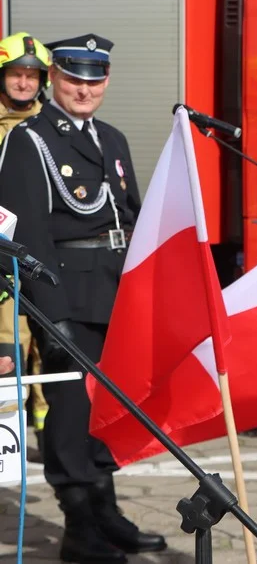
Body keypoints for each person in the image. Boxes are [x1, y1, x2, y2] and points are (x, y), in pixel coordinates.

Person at [0, 34, 165, 561]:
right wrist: (52, 319)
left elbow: (132, 217)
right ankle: (79, 527)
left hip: (115, 295)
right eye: (73, 78)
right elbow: (23, 238)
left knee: (108, 411)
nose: (84, 89)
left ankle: (105, 511)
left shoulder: (111, 139)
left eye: (95, 80)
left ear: (107, 82)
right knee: (71, 413)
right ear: (53, 81)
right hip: (68, 296)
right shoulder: (31, 140)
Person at [0, 31, 52, 457]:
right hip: (3, 257)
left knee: (47, 344)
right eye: (15, 74)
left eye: (31, 75)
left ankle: (48, 430)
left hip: (42, 254)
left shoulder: (50, 127)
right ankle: (9, 441)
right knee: (8, 346)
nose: (23, 83)